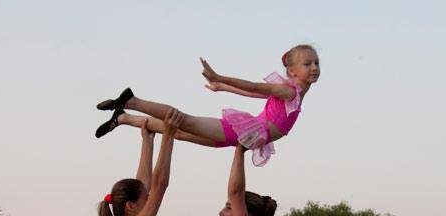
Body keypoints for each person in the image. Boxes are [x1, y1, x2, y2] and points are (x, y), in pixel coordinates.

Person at [94, 45, 320, 166]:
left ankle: (122, 118)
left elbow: (252, 94)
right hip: (242, 131)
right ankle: (132, 101)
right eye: (307, 64)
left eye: (316, 63)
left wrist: (222, 87)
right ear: (292, 71)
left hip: (243, 135)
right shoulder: (289, 91)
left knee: (178, 132)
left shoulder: (294, 93)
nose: (314, 68)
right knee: (183, 121)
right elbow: (254, 86)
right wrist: (219, 77)